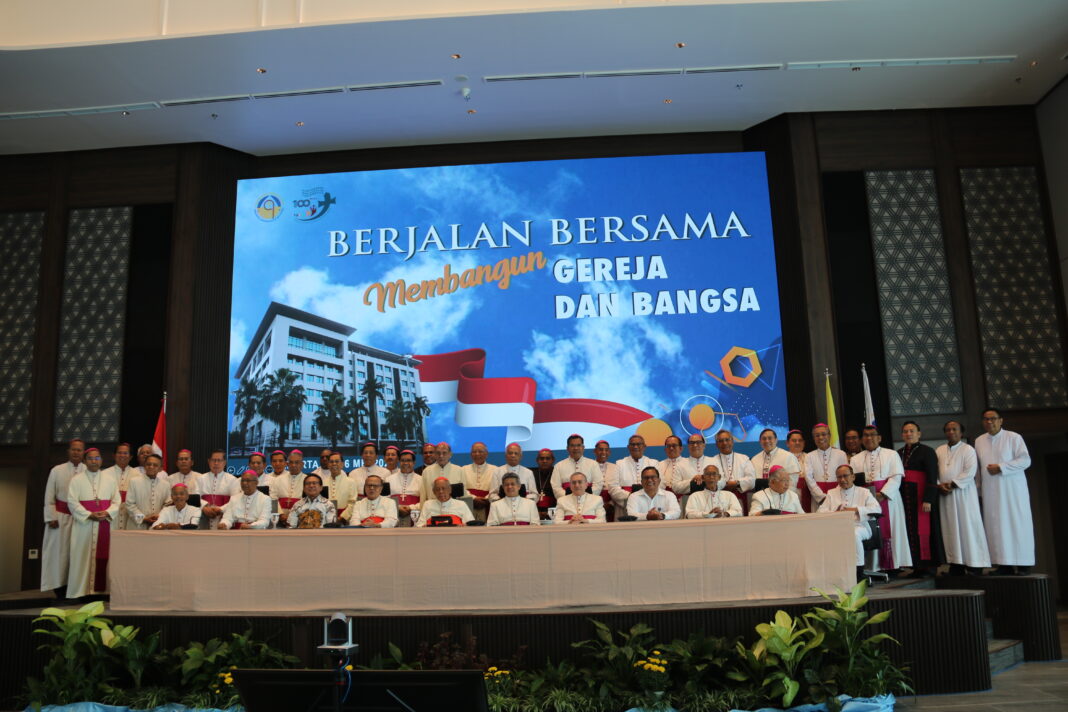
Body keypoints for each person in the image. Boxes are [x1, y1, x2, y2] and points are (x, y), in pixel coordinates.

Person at [975, 408, 1034, 575]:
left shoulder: (1013, 437)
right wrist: (978, 491)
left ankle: (1023, 564)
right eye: (986, 419)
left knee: (1017, 524)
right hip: (991, 491)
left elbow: (1025, 460)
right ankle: (1003, 565)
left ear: (1001, 420)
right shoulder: (979, 441)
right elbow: (978, 469)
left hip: (1013, 491)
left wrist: (1001, 467)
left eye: (993, 418)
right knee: (996, 526)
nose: (989, 422)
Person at [851, 426, 911, 571]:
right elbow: (854, 481)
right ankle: (874, 566)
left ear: (879, 438)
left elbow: (896, 477)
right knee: (869, 530)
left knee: (892, 530)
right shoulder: (855, 459)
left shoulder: (891, 454)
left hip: (889, 500)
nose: (869, 438)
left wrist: (882, 494)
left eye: (872, 435)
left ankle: (893, 565)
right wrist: (868, 498)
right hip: (866, 501)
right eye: (865, 435)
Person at [936, 420, 990, 574]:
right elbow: (934, 471)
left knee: (968, 527)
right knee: (950, 529)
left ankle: (975, 565)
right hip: (946, 497)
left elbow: (970, 471)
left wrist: (952, 485)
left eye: (954, 429)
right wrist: (939, 485)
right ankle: (956, 565)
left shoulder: (968, 449)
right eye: (948, 429)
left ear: (961, 432)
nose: (951, 432)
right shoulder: (939, 450)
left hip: (964, 495)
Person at [66, 447, 121, 599]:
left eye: (97, 458)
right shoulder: (76, 480)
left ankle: (104, 592)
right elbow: (72, 502)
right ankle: (81, 592)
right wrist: (89, 515)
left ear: (101, 460)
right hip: (84, 526)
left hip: (105, 524)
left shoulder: (110, 480)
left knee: (107, 556)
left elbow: (117, 501)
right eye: (90, 458)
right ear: (85, 461)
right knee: (81, 557)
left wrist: (107, 513)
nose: (94, 461)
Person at [818, 465, 881, 581]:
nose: (842, 480)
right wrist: (834, 513)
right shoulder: (831, 493)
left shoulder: (864, 492)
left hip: (860, 526)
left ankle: (859, 572)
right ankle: (833, 572)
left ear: (853, 477)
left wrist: (856, 509)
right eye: (839, 477)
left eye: (845, 476)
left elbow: (877, 509)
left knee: (853, 534)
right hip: (837, 527)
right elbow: (820, 512)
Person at [41, 438, 86, 595]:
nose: (76, 452)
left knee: (78, 554)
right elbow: (49, 496)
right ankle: (59, 589)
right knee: (59, 554)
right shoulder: (57, 470)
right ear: (68, 451)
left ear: (83, 452)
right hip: (60, 518)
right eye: (73, 449)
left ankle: (77, 590)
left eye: (79, 450)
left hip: (81, 519)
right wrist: (51, 517)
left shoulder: (88, 471)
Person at [899, 421, 943, 576]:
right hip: (906, 498)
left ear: (919, 434)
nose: (908, 434)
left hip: (922, 497)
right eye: (905, 431)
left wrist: (928, 499)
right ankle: (917, 566)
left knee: (925, 531)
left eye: (912, 431)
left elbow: (932, 476)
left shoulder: (927, 451)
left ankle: (929, 567)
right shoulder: (899, 453)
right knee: (910, 530)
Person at [610, 435, 659, 517]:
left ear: (644, 446)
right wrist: (631, 496)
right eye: (632, 444)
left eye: (638, 444)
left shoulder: (654, 463)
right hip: (624, 505)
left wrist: (645, 497)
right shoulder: (620, 464)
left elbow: (660, 484)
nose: (635, 447)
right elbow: (613, 488)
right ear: (628, 447)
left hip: (649, 505)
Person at [806, 423, 849, 512]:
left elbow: (845, 476)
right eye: (817, 435)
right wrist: (821, 497)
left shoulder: (841, 454)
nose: (820, 437)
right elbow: (809, 478)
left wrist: (835, 495)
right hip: (818, 497)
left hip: (838, 494)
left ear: (829, 436)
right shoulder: (809, 456)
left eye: (823, 434)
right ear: (814, 438)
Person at [750, 429, 802, 501]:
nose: (767, 441)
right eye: (764, 439)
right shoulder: (754, 459)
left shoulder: (788, 457)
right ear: (760, 441)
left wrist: (785, 500)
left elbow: (792, 484)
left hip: (783, 499)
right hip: (761, 499)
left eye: (770, 438)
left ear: (776, 440)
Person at [125, 453, 171, 530]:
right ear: (144, 466)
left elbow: (168, 504)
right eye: (148, 464)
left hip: (157, 525)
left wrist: (159, 517)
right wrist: (143, 518)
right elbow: (129, 504)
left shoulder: (166, 485)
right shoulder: (134, 481)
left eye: (155, 465)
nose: (151, 467)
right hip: (136, 526)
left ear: (160, 468)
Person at [197, 449, 239, 529]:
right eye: (213, 460)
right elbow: (196, 497)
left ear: (224, 462)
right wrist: (204, 508)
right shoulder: (200, 479)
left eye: (219, 460)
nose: (216, 463)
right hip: (204, 517)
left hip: (224, 516)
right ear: (209, 461)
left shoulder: (232, 480)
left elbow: (236, 500)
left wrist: (221, 509)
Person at [101, 442, 135, 530]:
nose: (122, 455)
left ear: (130, 457)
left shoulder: (138, 475)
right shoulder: (104, 474)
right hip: (110, 515)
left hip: (129, 515)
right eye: (119, 453)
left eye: (125, 453)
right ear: (114, 455)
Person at [270, 449, 307, 524]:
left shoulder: (307, 480)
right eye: (291, 462)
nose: (293, 465)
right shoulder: (278, 479)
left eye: (297, 462)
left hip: (300, 519)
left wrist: (295, 516)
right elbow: (273, 499)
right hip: (279, 519)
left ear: (302, 464)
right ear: (287, 464)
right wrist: (280, 515)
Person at [463, 441, 498, 519]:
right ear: (471, 454)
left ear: (486, 454)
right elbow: (462, 489)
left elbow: (496, 489)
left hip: (488, 504)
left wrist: (486, 499)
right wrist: (473, 498)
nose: (477, 454)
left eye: (480, 451)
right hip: (469, 504)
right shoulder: (463, 469)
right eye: (474, 452)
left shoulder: (495, 470)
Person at [387, 450, 422, 526]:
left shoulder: (421, 480)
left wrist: (410, 508)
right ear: (399, 462)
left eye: (409, 460)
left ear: (414, 462)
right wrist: (398, 507)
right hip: (393, 516)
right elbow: (385, 500)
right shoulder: (389, 479)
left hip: (415, 517)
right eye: (403, 460)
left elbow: (424, 501)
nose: (405, 463)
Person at [323, 451, 357, 520]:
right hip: (326, 518)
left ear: (342, 464)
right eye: (331, 462)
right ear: (328, 465)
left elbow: (353, 503)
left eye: (337, 461)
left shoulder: (351, 482)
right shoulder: (323, 482)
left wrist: (342, 517)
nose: (334, 464)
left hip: (345, 519)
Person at [532, 448, 556, 516]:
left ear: (553, 460)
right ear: (537, 460)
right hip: (534, 511)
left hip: (553, 511)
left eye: (547, 458)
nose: (544, 461)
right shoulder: (532, 474)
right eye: (542, 458)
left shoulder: (556, 473)